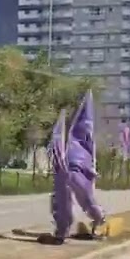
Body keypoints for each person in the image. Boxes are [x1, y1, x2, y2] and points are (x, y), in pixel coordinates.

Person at [47, 91, 107, 243]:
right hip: (68, 165)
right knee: (64, 195)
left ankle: (95, 219)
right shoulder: (67, 125)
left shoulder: (80, 126)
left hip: (76, 165)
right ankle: (63, 228)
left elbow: (86, 143)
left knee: (82, 195)